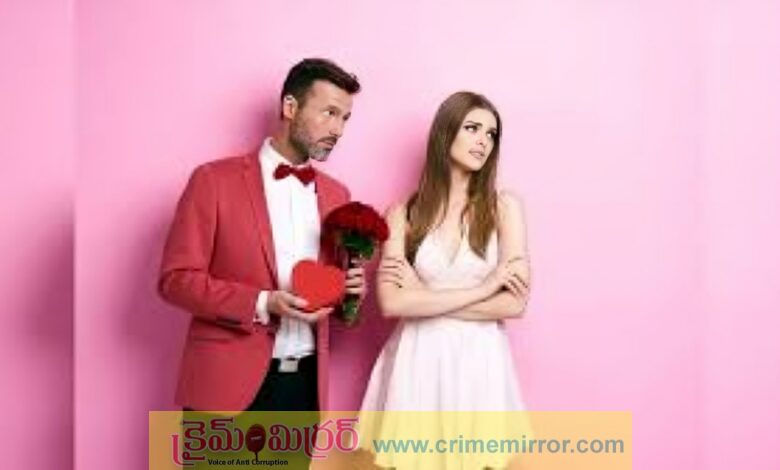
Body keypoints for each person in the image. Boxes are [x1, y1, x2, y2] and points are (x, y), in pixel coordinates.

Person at [158, 58, 366, 414]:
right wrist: (262, 303)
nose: (338, 129)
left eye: (345, 118)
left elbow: (335, 305)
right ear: (290, 107)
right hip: (223, 386)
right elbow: (175, 280)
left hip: (303, 389)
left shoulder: (338, 195)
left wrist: (350, 296)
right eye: (329, 113)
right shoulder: (213, 181)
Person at [359, 91, 531, 469]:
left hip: (479, 361)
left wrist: (422, 296)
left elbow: (514, 303)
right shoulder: (402, 214)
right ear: (445, 132)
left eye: (491, 134)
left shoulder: (505, 208)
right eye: (473, 128)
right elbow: (392, 303)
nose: (483, 141)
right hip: (418, 359)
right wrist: (484, 289)